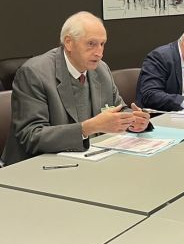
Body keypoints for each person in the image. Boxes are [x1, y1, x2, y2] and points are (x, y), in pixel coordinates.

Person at [1, 12, 150, 166]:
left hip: (88, 160)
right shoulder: (34, 73)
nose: (99, 53)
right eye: (91, 43)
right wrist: (88, 128)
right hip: (38, 167)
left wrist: (133, 120)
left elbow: (118, 108)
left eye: (102, 44)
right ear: (69, 43)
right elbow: (31, 137)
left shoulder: (101, 69)